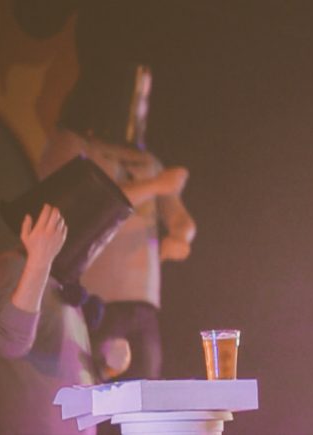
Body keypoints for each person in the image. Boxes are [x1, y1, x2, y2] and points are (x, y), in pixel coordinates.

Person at [38, 62, 196, 385]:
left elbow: (180, 216)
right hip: (96, 297)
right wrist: (156, 185)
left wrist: (181, 235)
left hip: (143, 300)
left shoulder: (149, 163)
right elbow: (93, 197)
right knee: (94, 387)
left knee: (146, 394)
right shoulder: (75, 146)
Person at [0, 157, 134, 434]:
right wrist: (39, 262)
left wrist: (103, 366)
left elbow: (62, 379)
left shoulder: (61, 287)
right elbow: (9, 341)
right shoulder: (13, 265)